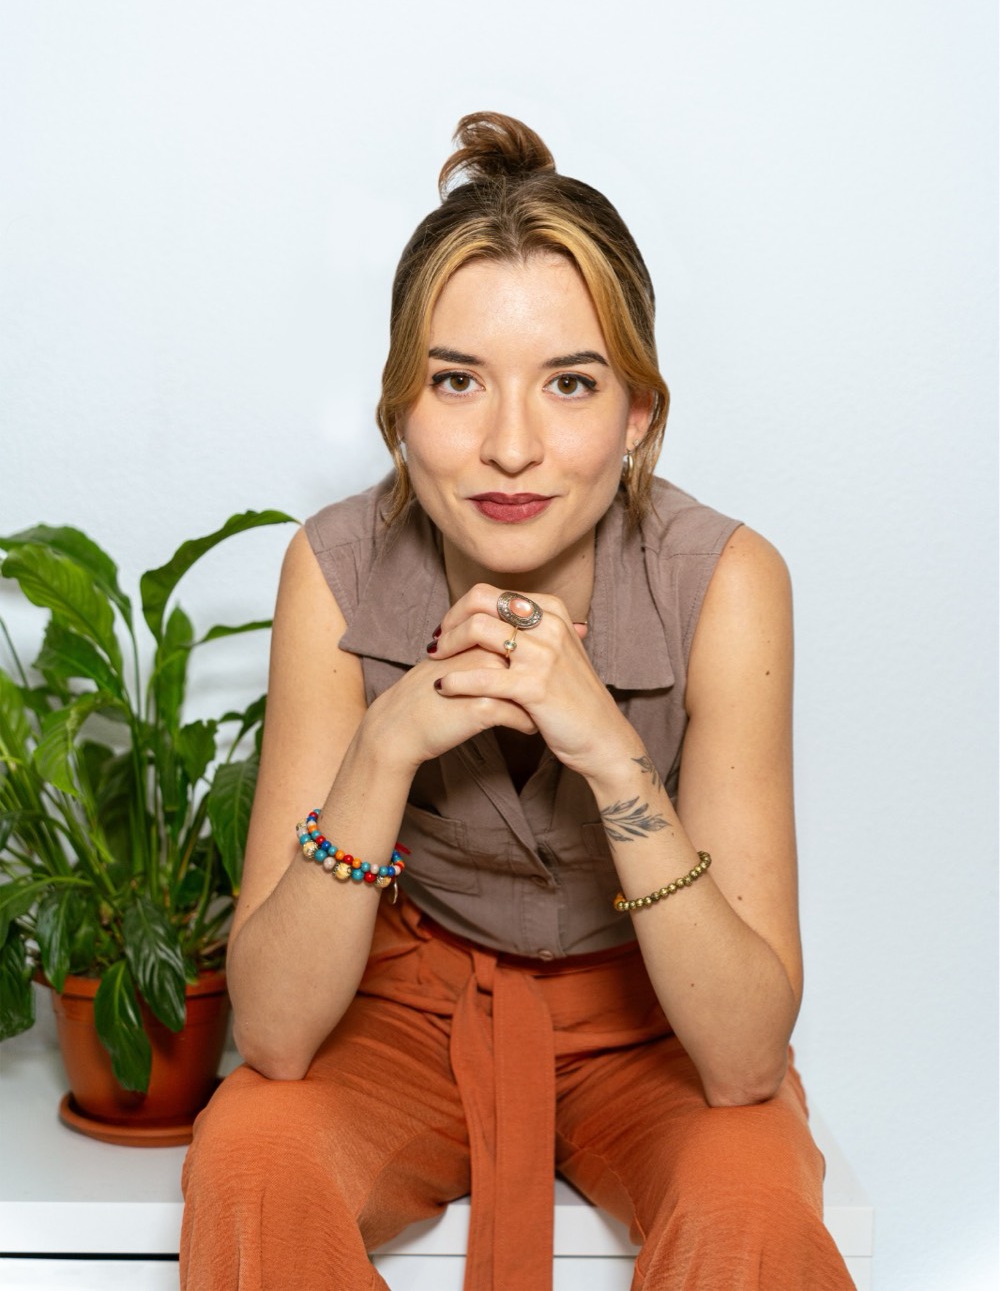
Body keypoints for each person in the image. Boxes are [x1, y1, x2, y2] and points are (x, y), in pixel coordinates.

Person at [180, 112, 855, 1290]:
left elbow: (744, 1059)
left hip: (654, 1023)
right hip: (399, 1015)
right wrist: (384, 747)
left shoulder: (727, 582)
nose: (509, 447)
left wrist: (615, 762)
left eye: (569, 384)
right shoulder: (332, 568)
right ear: (400, 408)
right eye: (457, 382)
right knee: (254, 1155)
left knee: (749, 1200)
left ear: (637, 415)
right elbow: (277, 1038)